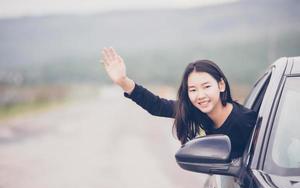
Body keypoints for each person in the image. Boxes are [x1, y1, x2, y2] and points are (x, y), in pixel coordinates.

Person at [101, 47, 257, 159]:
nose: (200, 95)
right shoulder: (196, 111)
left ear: (221, 85)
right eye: (193, 89)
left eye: (206, 86)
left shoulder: (243, 122)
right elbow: (157, 106)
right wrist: (123, 81)